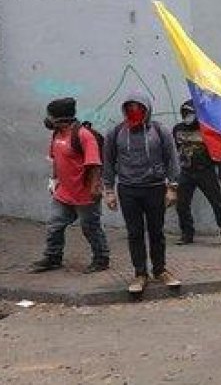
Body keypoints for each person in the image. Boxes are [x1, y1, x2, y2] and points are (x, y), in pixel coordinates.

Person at [102, 93, 180, 294]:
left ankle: (160, 270)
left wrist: (172, 187)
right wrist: (109, 191)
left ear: (147, 109)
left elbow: (171, 159)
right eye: (130, 107)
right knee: (134, 233)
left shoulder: (159, 131)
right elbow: (108, 162)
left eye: (139, 107)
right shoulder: (116, 132)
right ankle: (140, 273)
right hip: (128, 189)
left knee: (156, 231)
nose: (134, 111)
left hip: (154, 188)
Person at [30, 98, 111, 274]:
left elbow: (95, 164)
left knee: (91, 228)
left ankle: (101, 258)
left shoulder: (83, 135)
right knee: (54, 224)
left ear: (61, 118)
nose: (48, 119)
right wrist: (53, 180)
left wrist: (95, 188)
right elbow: (55, 160)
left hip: (84, 193)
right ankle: (53, 257)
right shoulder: (56, 134)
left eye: (51, 116)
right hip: (64, 192)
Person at [172, 100, 221, 246]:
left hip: (206, 171)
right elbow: (174, 149)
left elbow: (217, 151)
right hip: (186, 172)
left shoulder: (207, 129)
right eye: (185, 113)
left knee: (217, 204)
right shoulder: (177, 129)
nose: (188, 116)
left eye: (191, 113)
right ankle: (187, 234)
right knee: (181, 205)